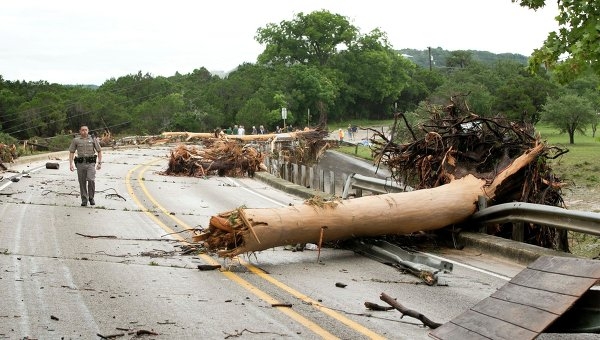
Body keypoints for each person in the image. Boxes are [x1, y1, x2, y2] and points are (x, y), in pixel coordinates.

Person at [69, 125, 102, 207]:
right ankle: (84, 199)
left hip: (90, 163)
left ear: (88, 130)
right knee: (82, 182)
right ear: (80, 131)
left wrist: (99, 163)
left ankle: (91, 197)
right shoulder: (76, 140)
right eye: (82, 130)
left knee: (91, 179)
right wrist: (71, 164)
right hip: (80, 164)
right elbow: (71, 152)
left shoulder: (93, 139)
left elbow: (99, 151)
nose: (84, 131)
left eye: (86, 130)